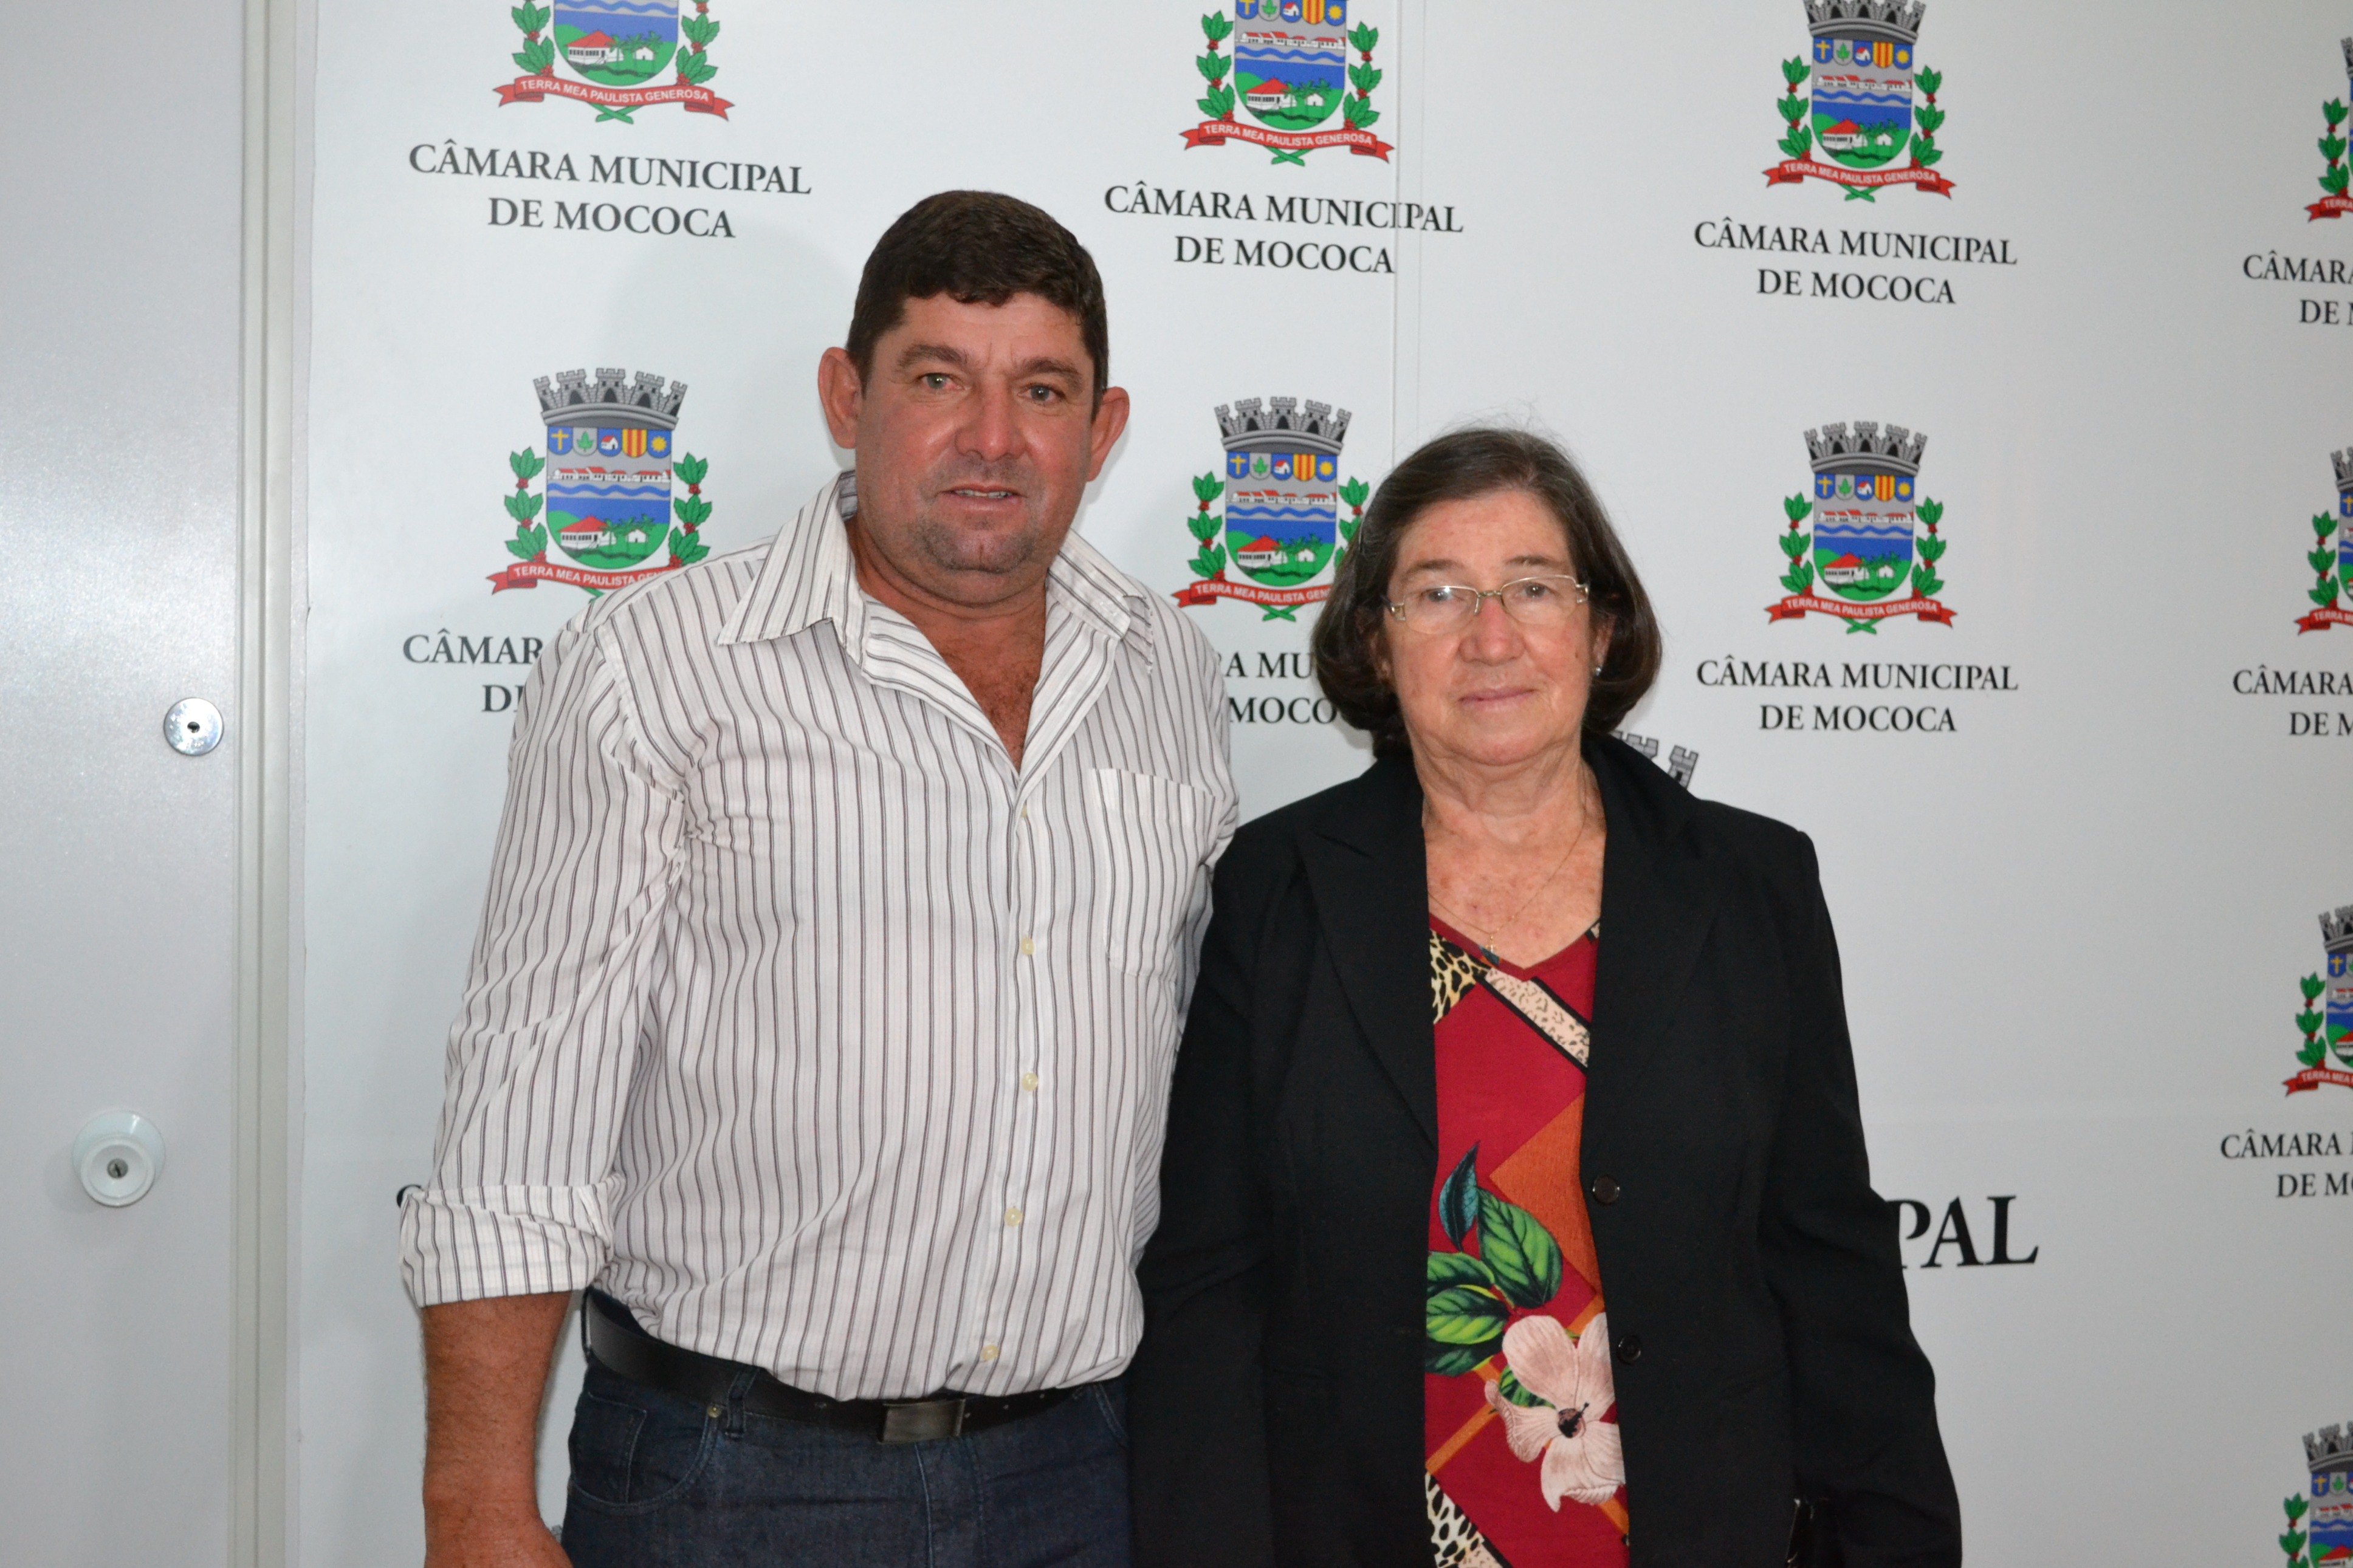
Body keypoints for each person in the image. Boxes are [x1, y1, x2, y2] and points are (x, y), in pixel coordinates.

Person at [398, 191, 1237, 1567]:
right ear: (848, 397)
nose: (992, 437)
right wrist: (478, 1502)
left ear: (1104, 428)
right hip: (732, 1483)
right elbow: (521, 1120)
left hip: (1077, 1471)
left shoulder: (1172, 674)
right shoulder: (656, 667)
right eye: (938, 379)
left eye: (1042, 391)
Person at [1126, 428, 1960, 1567]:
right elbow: (1211, 1285)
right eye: (1438, 593)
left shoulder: (1749, 884)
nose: (1491, 637)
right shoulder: (1279, 888)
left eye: (1533, 587)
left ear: (1600, 628)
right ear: (1375, 640)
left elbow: (1830, 1261)